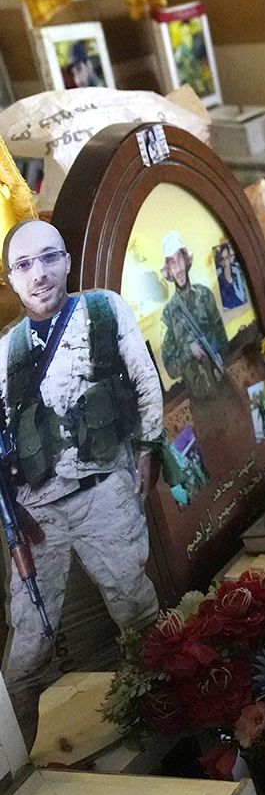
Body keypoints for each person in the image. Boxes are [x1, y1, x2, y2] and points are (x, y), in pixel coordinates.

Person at [0, 220, 166, 748]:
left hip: (104, 493)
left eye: (49, 258)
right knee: (27, 649)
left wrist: (149, 447)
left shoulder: (103, 310)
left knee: (136, 611)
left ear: (67, 261)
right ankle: (13, 767)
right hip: (37, 516)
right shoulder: (4, 352)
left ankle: (168, 727)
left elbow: (144, 380)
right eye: (24, 265)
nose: (39, 273)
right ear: (10, 279)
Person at [158, 238, 232, 403]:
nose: (178, 269)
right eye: (172, 263)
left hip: (223, 387)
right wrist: (189, 351)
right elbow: (171, 370)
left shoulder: (205, 295)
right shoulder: (168, 315)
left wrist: (220, 358)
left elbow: (222, 338)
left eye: (180, 259)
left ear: (186, 260)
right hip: (201, 402)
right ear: (169, 270)